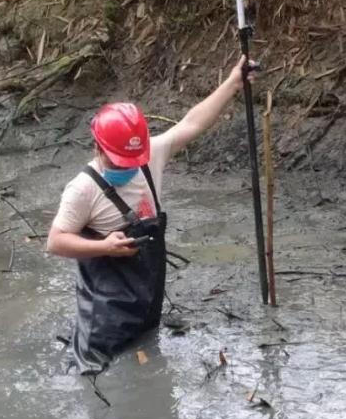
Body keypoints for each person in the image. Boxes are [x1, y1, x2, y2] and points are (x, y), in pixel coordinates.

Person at [47, 56, 256, 373]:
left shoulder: (150, 156)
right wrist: (104, 247)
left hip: (146, 304)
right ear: (98, 148)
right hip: (103, 318)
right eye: (119, 162)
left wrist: (233, 83)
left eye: (132, 160)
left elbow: (191, 124)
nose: (128, 168)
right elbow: (55, 242)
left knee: (146, 365)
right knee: (98, 378)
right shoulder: (82, 189)